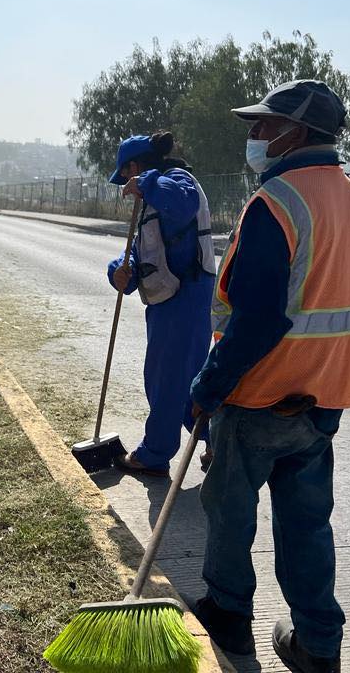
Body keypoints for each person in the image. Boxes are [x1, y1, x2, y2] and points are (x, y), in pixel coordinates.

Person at [189, 80, 350, 673]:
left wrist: (209, 385)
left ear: (296, 132)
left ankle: (230, 616)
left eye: (264, 126)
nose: (254, 135)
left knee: (230, 512)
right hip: (323, 399)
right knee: (307, 526)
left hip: (258, 395)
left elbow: (259, 317)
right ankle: (319, 644)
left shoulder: (277, 202)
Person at [105, 132, 216, 477]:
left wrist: (145, 183)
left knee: (166, 377)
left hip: (187, 295)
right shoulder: (151, 200)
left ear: (136, 166)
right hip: (170, 300)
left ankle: (154, 454)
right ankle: (219, 444)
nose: (124, 182)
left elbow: (184, 205)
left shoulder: (175, 181)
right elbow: (142, 251)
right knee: (192, 380)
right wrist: (121, 271)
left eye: (125, 174)